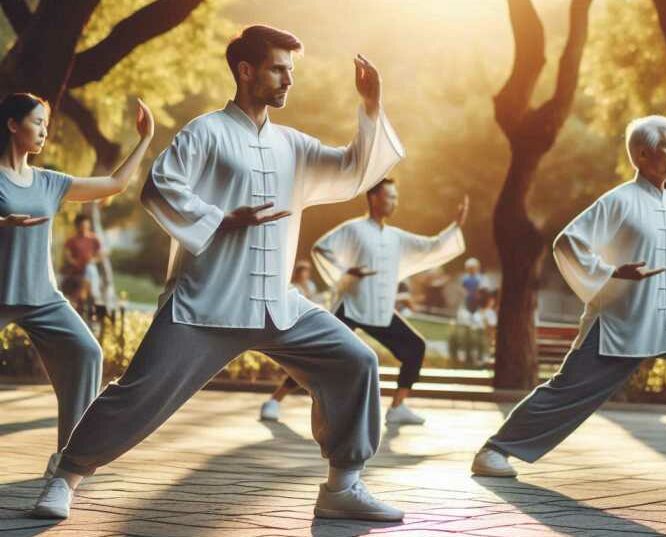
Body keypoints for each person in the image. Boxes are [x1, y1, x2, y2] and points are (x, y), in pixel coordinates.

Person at [34, 25, 405, 522]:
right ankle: (66, 475)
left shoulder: (293, 144)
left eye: (290, 71)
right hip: (206, 303)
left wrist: (371, 106)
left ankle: (343, 486)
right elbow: (159, 187)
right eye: (278, 68)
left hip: (279, 305)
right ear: (246, 70)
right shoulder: (205, 132)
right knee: (137, 395)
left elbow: (356, 168)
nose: (287, 80)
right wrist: (222, 218)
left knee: (355, 362)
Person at [471, 115, 666, 483]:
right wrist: (613, 273)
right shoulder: (620, 200)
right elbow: (568, 242)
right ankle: (494, 450)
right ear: (644, 154)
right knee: (569, 392)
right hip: (622, 323)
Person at [0, 92, 154, 480]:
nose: (44, 132)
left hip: (41, 297)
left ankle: (68, 461)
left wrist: (145, 140)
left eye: (47, 125)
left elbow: (115, 183)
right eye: (37, 123)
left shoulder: (49, 182)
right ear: (12, 124)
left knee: (86, 353)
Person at [260, 178, 467, 425]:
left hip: (380, 310)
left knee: (415, 347)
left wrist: (455, 226)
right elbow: (321, 249)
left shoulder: (396, 237)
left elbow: (430, 245)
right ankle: (274, 400)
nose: (394, 202)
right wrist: (347, 271)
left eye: (395, 197)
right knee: (319, 356)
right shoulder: (354, 229)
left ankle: (397, 408)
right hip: (351, 307)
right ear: (373, 198)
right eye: (389, 196)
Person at [61, 214, 103, 313]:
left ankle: (90, 297)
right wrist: (74, 262)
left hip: (88, 270)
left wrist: (93, 260)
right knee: (87, 275)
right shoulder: (72, 240)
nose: (84, 228)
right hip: (76, 271)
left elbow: (100, 255)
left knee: (90, 269)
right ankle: (89, 297)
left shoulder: (94, 239)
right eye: (82, 226)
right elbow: (67, 255)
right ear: (78, 226)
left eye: (86, 226)